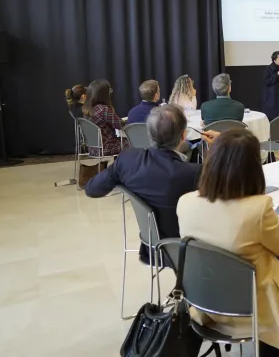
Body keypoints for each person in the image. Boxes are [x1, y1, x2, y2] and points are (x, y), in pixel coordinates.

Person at [177, 128, 279, 357]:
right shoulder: (257, 209)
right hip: (255, 306)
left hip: (206, 300)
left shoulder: (185, 203)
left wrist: (224, 147)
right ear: (254, 169)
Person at [85, 105, 217, 262]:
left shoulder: (127, 160)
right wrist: (219, 148)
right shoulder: (193, 173)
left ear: (149, 134)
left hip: (150, 248)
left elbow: (92, 189)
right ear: (183, 135)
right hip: (187, 252)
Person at [83, 79, 127, 157]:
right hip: (107, 147)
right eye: (109, 91)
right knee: (135, 141)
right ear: (103, 94)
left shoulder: (86, 109)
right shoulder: (103, 109)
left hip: (93, 148)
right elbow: (121, 126)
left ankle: (118, 164)